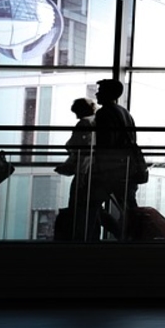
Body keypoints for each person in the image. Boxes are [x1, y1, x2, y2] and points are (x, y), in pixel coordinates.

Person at [86, 79, 143, 241]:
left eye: (100, 90)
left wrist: (98, 167)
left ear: (108, 93)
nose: (97, 93)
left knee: (91, 205)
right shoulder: (124, 113)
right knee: (129, 206)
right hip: (126, 167)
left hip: (110, 169)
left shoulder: (104, 113)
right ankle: (134, 237)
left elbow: (106, 143)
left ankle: (93, 239)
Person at [54, 97, 97, 240]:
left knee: (77, 204)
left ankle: (77, 238)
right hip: (94, 169)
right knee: (93, 207)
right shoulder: (96, 121)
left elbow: (75, 146)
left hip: (83, 171)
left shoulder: (84, 123)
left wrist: (67, 166)